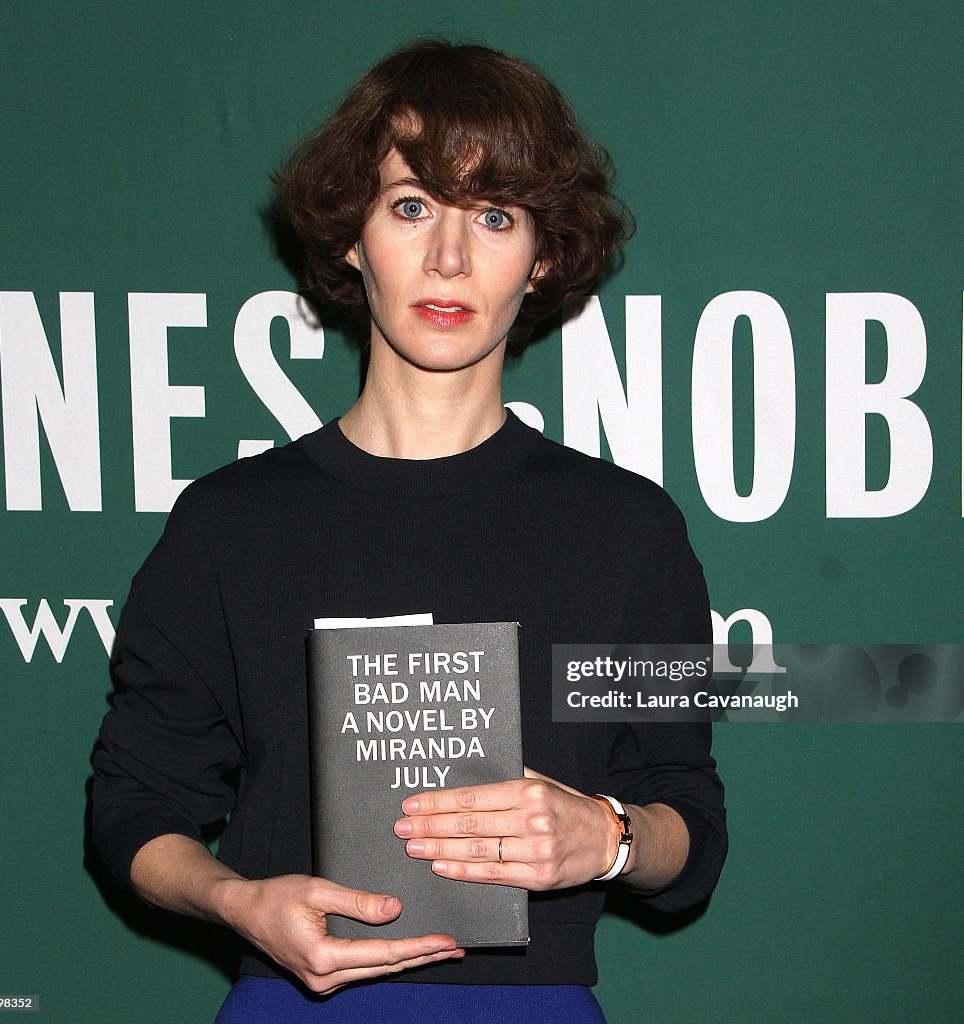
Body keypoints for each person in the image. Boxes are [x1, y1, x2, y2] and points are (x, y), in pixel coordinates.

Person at [91, 39, 727, 1023]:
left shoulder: (626, 530)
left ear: (543, 253)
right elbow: (134, 805)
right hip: (292, 1004)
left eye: (494, 215)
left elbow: (687, 815)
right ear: (352, 234)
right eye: (411, 206)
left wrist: (605, 837)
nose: (448, 257)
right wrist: (237, 901)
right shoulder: (228, 525)